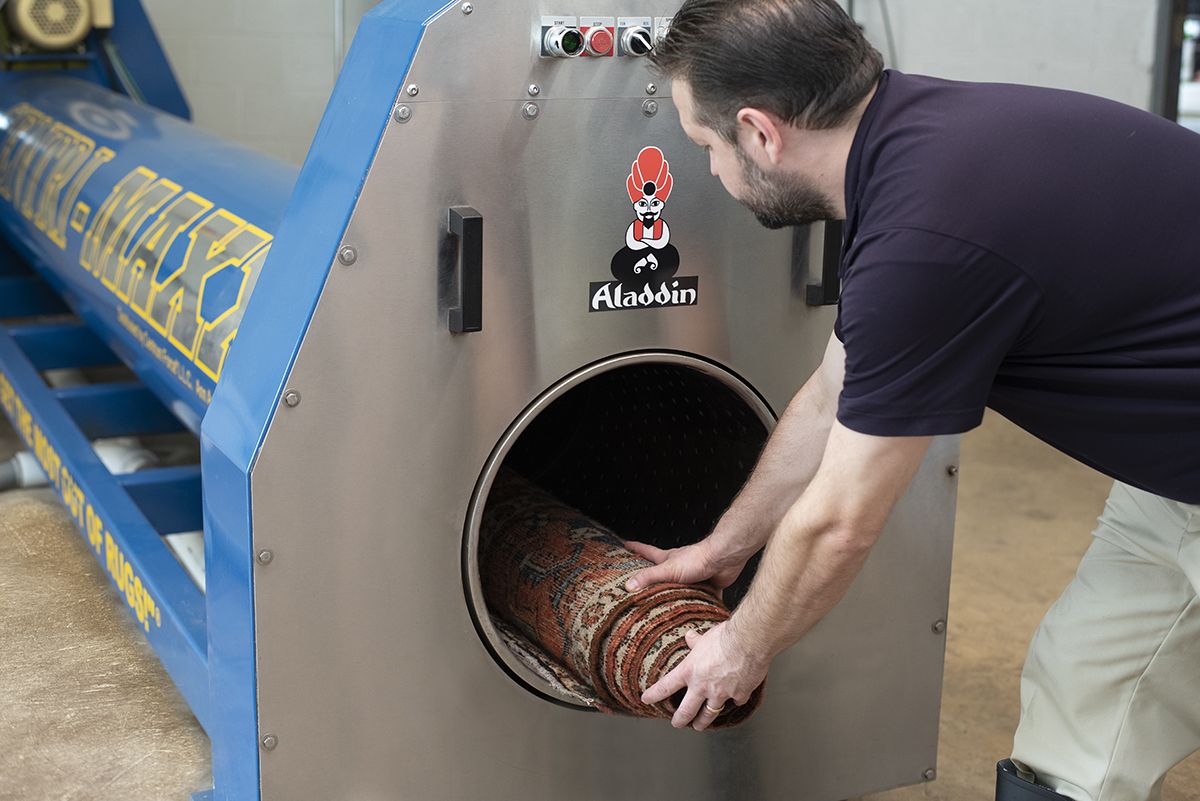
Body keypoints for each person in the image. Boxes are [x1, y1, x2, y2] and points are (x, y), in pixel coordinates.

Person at [619, 2, 1200, 800]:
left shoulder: (926, 240)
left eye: (705, 145)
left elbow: (843, 520)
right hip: (1176, 470)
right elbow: (830, 399)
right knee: (1091, 684)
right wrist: (721, 552)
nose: (712, 173)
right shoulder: (914, 146)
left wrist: (743, 645)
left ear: (759, 132)